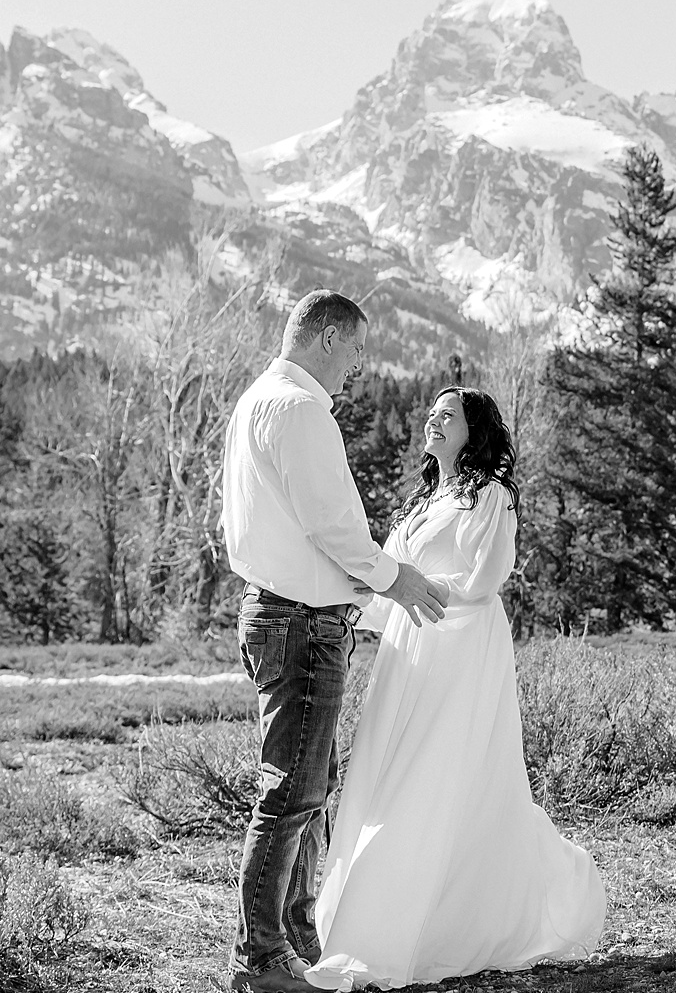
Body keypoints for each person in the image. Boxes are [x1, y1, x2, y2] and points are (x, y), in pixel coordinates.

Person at [308, 386, 606, 990]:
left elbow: (481, 579)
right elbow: (382, 576)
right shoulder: (422, 501)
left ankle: (408, 929)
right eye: (432, 414)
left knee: (437, 776)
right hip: (407, 651)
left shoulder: (489, 497)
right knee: (388, 775)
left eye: (448, 415)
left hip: (459, 648)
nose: (433, 421)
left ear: (475, 430)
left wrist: (413, 587)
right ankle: (387, 911)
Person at [221, 289, 451, 993]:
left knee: (308, 786)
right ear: (324, 337)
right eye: (354, 349)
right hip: (301, 621)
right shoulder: (298, 409)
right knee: (291, 789)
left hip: (282, 613)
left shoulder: (259, 399)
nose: (357, 366)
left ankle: (292, 934)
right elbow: (332, 525)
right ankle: (258, 958)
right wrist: (394, 578)